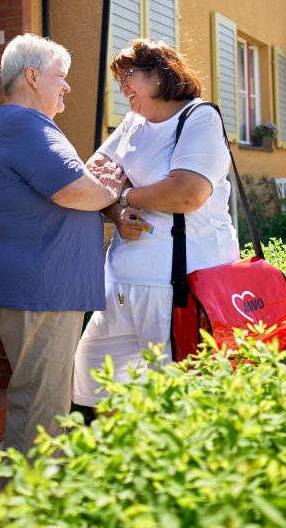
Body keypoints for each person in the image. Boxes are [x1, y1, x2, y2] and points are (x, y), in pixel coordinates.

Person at [0, 33, 124, 456]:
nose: (67, 86)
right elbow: (75, 191)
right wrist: (110, 188)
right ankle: (24, 519)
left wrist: (97, 188)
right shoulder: (25, 124)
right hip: (40, 291)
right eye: (61, 76)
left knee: (39, 403)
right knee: (42, 412)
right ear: (32, 76)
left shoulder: (16, 125)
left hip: (38, 288)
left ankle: (23, 510)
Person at [72, 38, 239, 409]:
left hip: (179, 288)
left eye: (129, 76)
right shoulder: (132, 124)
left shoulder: (199, 118)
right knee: (88, 380)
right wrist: (115, 211)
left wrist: (128, 194)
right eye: (118, 82)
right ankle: (109, 463)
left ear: (160, 74)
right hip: (119, 286)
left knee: (179, 401)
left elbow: (187, 192)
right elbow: (94, 178)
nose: (123, 88)